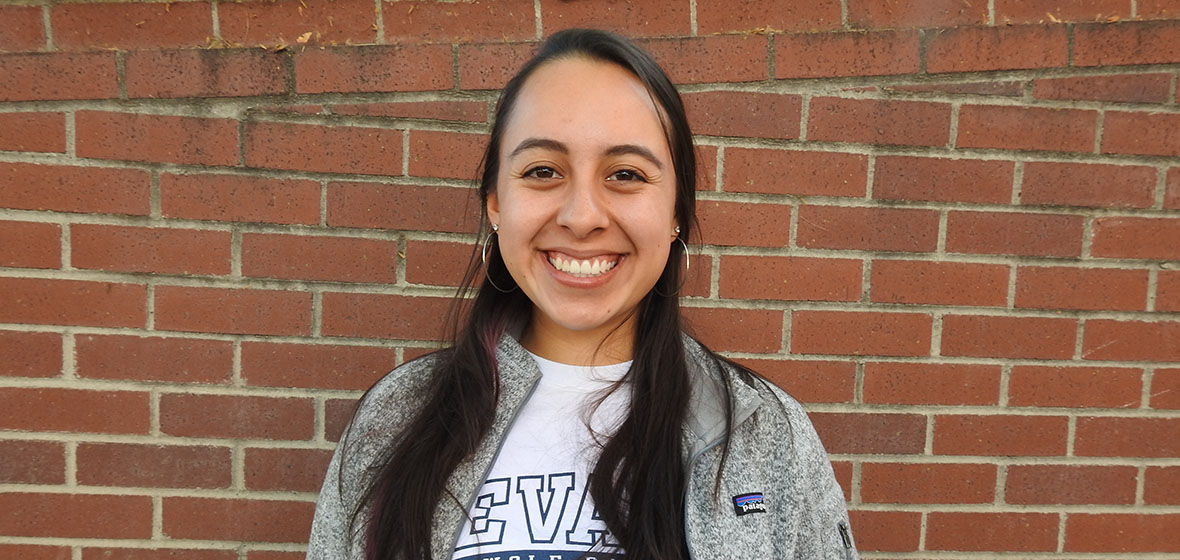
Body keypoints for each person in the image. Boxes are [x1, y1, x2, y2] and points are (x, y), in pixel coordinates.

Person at [307, 28, 857, 560]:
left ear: (676, 215)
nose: (581, 217)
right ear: (496, 204)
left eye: (625, 174)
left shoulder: (765, 431)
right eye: (543, 170)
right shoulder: (397, 416)